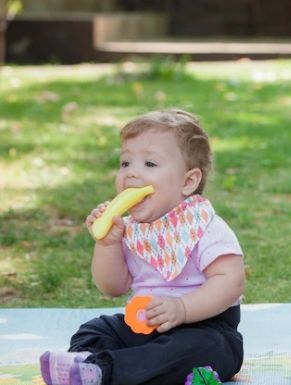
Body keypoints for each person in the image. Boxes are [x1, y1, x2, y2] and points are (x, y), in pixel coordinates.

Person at [39, 109, 245, 385]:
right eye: (125, 163)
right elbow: (112, 287)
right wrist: (108, 244)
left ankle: (105, 372)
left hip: (203, 326)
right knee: (94, 330)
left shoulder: (205, 226)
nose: (132, 174)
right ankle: (90, 366)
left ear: (188, 182)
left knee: (207, 348)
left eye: (149, 164)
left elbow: (231, 281)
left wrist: (182, 308)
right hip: (143, 326)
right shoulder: (130, 229)